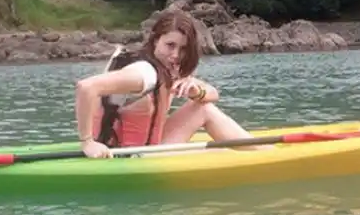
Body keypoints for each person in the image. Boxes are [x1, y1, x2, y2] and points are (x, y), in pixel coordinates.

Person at [75, 9, 258, 158]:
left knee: (203, 108)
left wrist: (196, 91)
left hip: (146, 148)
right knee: (217, 150)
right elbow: (86, 87)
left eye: (183, 48)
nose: (176, 55)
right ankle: (262, 156)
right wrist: (87, 143)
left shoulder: (167, 68)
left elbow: (213, 94)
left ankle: (261, 153)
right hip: (126, 156)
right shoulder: (144, 73)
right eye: (170, 45)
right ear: (156, 40)